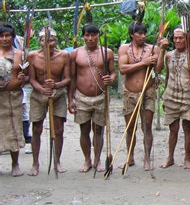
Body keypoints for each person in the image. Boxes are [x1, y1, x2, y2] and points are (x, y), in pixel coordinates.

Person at [118, 22, 166, 171]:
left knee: (147, 127)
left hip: (148, 91)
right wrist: (143, 63)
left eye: (145, 33)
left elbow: (158, 69)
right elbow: (122, 69)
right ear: (132, 34)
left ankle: (146, 158)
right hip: (130, 93)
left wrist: (162, 51)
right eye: (139, 33)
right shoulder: (124, 48)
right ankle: (130, 157)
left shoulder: (153, 49)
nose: (143, 36)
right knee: (130, 128)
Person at [68, 24, 116, 173]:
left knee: (99, 130)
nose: (90, 38)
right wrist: (70, 99)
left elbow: (114, 73)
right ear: (83, 36)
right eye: (87, 35)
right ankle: (87, 159)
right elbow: (72, 78)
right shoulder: (75, 53)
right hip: (81, 97)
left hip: (100, 96)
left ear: (98, 36)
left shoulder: (106, 52)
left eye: (93, 35)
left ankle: (97, 159)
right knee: (84, 130)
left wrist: (110, 79)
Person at [28, 27, 70, 176]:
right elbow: (31, 79)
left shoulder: (64, 56)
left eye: (51, 40)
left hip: (58, 95)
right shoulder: (32, 56)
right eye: (45, 40)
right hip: (39, 95)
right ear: (39, 42)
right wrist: (42, 89)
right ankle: (35, 163)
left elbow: (67, 78)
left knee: (58, 129)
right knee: (37, 129)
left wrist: (56, 85)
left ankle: (57, 161)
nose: (48, 43)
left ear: (55, 41)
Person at [156, 27, 190, 169]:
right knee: (173, 128)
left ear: (187, 39)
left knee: (187, 127)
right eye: (175, 38)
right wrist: (161, 50)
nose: (177, 40)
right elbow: (161, 72)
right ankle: (170, 157)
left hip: (188, 96)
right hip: (171, 95)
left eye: (181, 37)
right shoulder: (169, 55)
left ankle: (187, 157)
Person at [0, 22, 27, 176]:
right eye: (2, 36)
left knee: (14, 128)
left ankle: (15, 164)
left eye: (7, 35)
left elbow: (28, 75)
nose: (4, 39)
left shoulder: (20, 54)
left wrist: (24, 78)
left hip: (14, 97)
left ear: (12, 37)